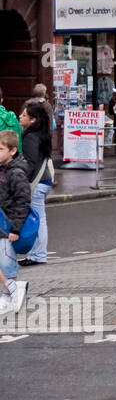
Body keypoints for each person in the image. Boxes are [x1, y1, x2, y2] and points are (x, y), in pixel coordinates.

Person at [16, 101, 53, 266]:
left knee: (38, 220)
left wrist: (21, 181)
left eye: (24, 115)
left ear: (33, 119)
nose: (20, 117)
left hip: (37, 183)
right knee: (40, 219)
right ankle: (37, 254)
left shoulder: (31, 136)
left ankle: (38, 255)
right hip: (44, 181)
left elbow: (30, 163)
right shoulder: (40, 133)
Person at [0, 130, 30, 315]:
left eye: (0, 148)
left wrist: (16, 228)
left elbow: (23, 201)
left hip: (7, 225)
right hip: (1, 222)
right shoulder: (2, 169)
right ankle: (12, 289)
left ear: (12, 151)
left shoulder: (17, 173)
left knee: (6, 262)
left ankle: (8, 294)